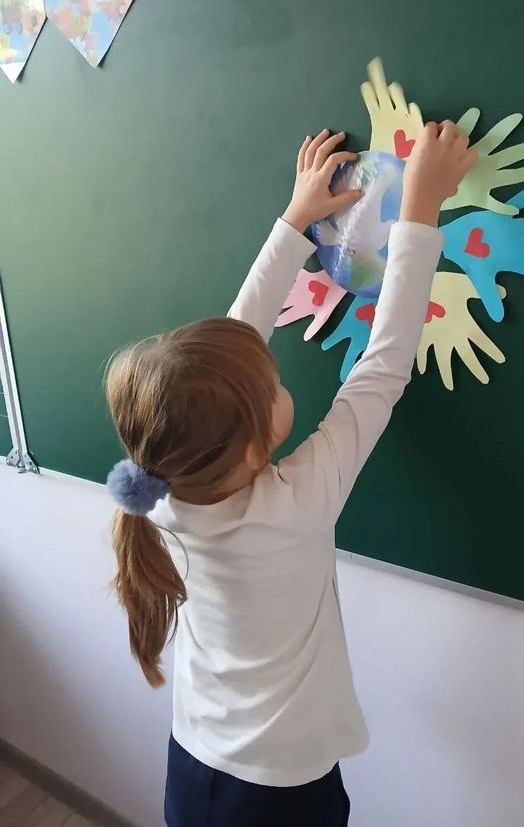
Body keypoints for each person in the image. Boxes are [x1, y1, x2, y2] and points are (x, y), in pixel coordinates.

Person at [105, 122, 476, 826]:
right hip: (279, 794)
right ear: (252, 445)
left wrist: (296, 218)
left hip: (195, 761)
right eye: (272, 384)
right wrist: (419, 211)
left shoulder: (162, 488)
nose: (276, 377)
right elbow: (381, 368)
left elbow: (223, 363)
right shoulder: (293, 505)